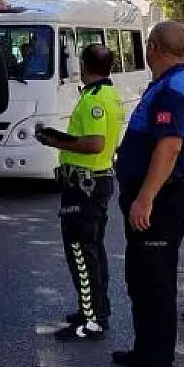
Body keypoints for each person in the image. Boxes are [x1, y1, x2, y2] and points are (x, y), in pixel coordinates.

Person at [111, 21, 184, 367]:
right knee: (141, 280)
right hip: (154, 197)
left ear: (152, 47)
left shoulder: (174, 91)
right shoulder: (169, 84)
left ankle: (158, 366)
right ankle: (144, 350)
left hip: (161, 200)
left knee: (156, 284)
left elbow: (169, 148)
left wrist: (144, 198)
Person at [36, 43, 125, 341]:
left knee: (81, 253)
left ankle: (93, 320)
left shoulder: (94, 100)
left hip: (85, 186)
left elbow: (95, 143)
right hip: (93, 182)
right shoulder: (109, 94)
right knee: (92, 251)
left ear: (84, 66)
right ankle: (94, 310)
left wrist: (55, 143)